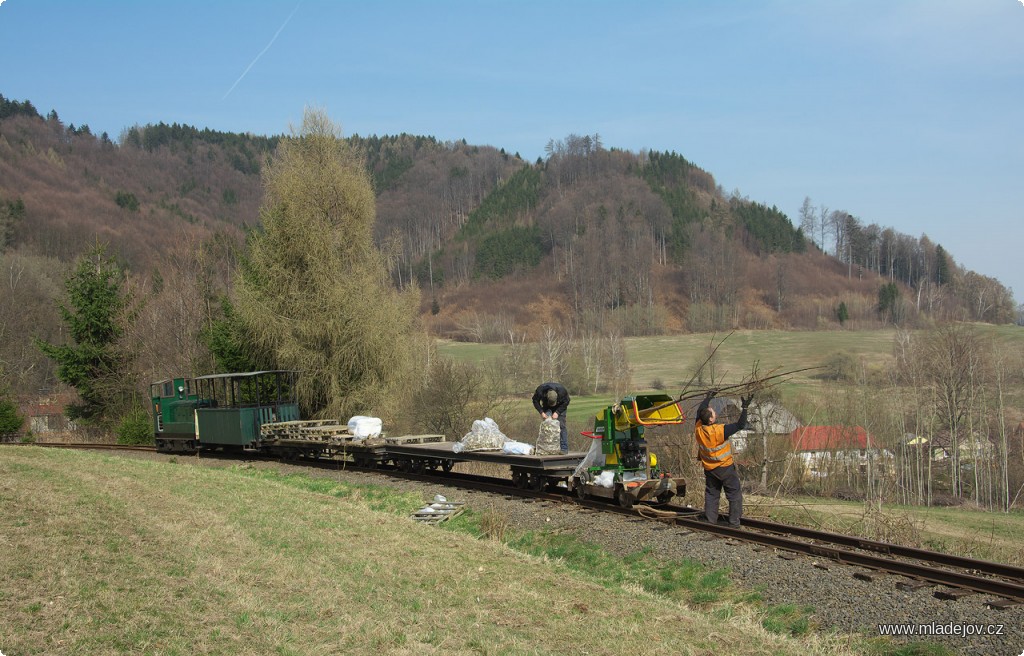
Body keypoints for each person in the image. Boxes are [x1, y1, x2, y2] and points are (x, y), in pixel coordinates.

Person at [694, 390, 752, 527]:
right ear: (711, 419)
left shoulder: (698, 429)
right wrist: (744, 408)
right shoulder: (720, 431)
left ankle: (710, 520)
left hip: (709, 468)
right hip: (725, 468)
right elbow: (740, 425)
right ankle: (734, 523)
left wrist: (709, 397)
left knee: (712, 494)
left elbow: (699, 410)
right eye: (713, 412)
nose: (715, 412)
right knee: (734, 494)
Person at [532, 382, 570, 454]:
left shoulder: (562, 391)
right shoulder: (540, 391)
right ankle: (546, 448)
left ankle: (564, 448)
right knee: (547, 425)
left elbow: (567, 401)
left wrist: (557, 412)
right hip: (547, 406)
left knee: (561, 426)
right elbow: (535, 400)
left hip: (560, 406)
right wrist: (541, 412)